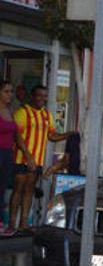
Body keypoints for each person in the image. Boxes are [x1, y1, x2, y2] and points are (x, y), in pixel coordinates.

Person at [9, 85, 70, 230]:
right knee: (18, 189)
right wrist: (28, 155)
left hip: (37, 160)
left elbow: (52, 136)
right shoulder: (22, 112)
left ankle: (23, 223)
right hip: (20, 158)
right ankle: (11, 224)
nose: (41, 99)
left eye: (44, 96)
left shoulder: (46, 115)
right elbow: (17, 137)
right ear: (32, 96)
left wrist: (68, 134)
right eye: (39, 95)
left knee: (29, 189)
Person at [0, 81, 35, 235]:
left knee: (3, 187)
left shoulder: (10, 111)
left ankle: (1, 221)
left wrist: (28, 155)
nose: (10, 94)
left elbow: (17, 136)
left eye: (11, 91)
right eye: (6, 91)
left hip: (8, 153)